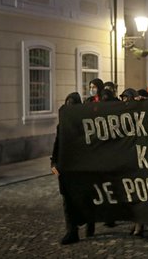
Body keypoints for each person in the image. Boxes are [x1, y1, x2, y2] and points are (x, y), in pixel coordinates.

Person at [52, 92, 90, 244]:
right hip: (66, 167)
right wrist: (53, 162)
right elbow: (57, 144)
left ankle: (89, 222)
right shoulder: (62, 125)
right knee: (67, 200)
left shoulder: (85, 124)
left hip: (81, 167)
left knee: (83, 198)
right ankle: (71, 231)